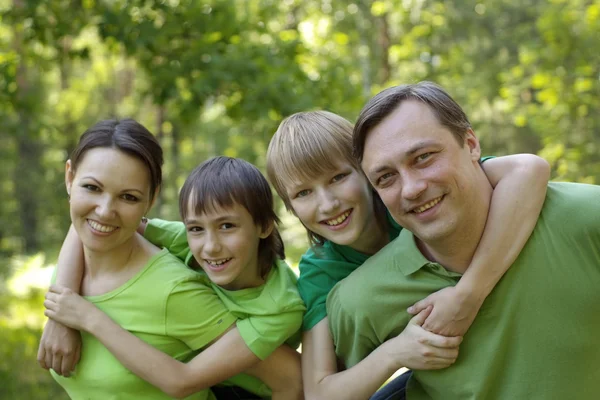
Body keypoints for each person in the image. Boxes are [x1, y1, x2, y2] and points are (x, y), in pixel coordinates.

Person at [326, 81, 600, 400]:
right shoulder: (360, 300)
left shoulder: (587, 219)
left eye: (424, 157)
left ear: (471, 145)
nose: (411, 188)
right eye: (386, 177)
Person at [266, 111, 550, 399]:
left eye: (338, 177)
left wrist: (468, 294)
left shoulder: (415, 201)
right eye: (303, 193)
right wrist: (395, 353)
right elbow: (319, 393)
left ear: (367, 171)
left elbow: (528, 168)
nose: (327, 204)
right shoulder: (321, 271)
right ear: (289, 207)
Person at [42, 156, 305, 399]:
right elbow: (99, 224)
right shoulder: (187, 240)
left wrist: (86, 316)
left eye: (227, 226)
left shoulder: (280, 307)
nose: (211, 246)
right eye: (196, 228)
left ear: (264, 226)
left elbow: (181, 382)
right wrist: (61, 314)